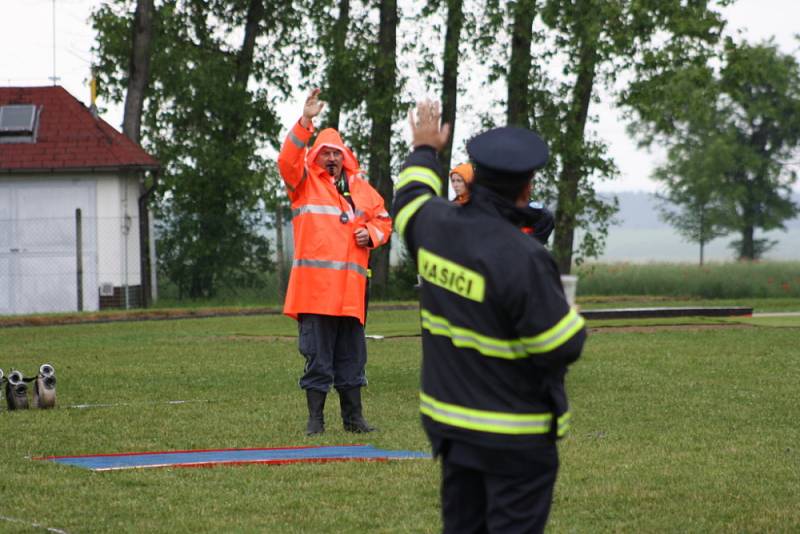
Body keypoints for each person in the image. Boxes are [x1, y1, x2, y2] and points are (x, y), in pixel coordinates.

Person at [392, 100, 586, 533]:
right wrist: (568, 312)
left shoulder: (434, 226)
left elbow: (408, 198)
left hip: (451, 428)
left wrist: (424, 149)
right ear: (526, 188)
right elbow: (560, 345)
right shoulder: (525, 256)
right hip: (514, 436)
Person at [277, 88, 392, 435]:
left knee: (352, 358)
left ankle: (354, 420)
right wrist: (306, 121)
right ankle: (316, 420)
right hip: (315, 294)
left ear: (345, 157)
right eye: (325, 153)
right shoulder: (303, 184)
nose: (331, 159)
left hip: (351, 295)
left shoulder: (361, 190)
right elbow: (287, 160)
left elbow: (384, 220)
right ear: (316, 157)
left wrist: (370, 234)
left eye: (337, 154)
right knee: (318, 359)